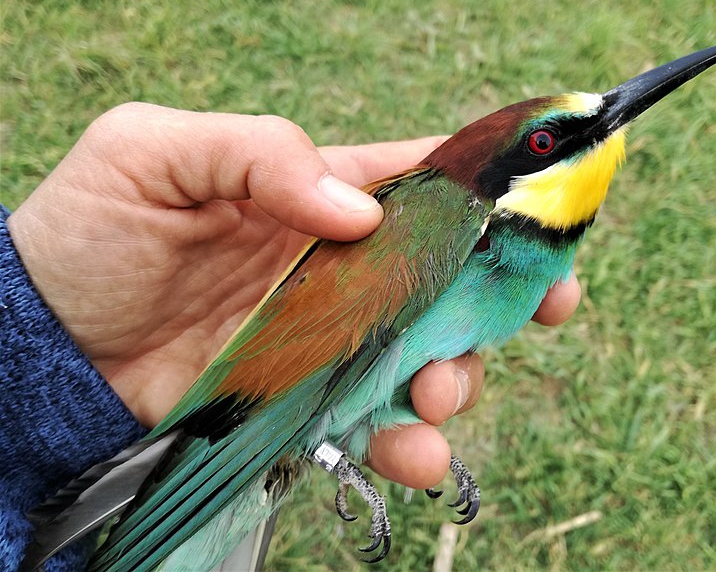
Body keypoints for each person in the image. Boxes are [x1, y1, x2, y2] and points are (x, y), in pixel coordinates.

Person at [0, 102, 581, 570]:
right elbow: (285, 407)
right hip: (246, 437)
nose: (603, 128)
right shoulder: (445, 217)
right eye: (545, 143)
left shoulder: (514, 256)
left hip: (263, 431)